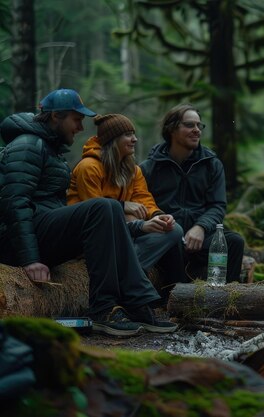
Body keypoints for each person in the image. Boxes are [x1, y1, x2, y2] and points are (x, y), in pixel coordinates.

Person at [0, 89, 177, 336]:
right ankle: (103, 308)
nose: (81, 127)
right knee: (103, 206)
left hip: (41, 228)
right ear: (55, 117)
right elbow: (14, 203)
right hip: (14, 242)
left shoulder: (50, 148)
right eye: (76, 119)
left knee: (111, 206)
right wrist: (30, 259)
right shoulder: (28, 145)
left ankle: (137, 302)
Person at [67, 113, 188, 301]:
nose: (135, 139)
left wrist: (157, 215)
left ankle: (125, 273)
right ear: (113, 139)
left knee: (174, 230)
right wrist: (125, 208)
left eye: (134, 134)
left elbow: (143, 198)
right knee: (130, 220)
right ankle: (129, 276)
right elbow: (96, 212)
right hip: (93, 238)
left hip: (124, 233)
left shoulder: (133, 169)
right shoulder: (88, 167)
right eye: (128, 135)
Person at [140, 104, 244, 283]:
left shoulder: (211, 164)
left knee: (234, 241)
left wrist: (201, 227)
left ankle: (227, 301)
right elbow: (143, 205)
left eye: (199, 125)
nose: (197, 130)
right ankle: (175, 301)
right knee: (170, 245)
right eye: (189, 125)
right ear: (171, 129)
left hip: (200, 238)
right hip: (168, 237)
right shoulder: (149, 169)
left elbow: (217, 206)